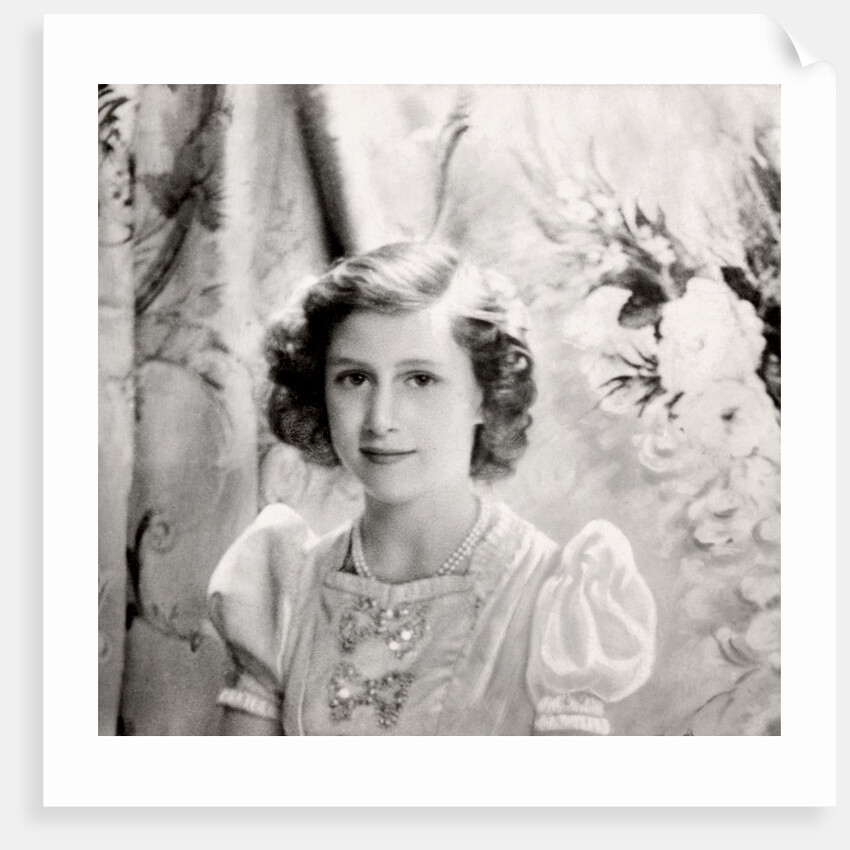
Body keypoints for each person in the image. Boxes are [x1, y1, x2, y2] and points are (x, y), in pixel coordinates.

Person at [207, 242, 656, 735]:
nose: (380, 419)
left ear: (485, 394)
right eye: (354, 379)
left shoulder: (555, 603)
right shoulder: (284, 593)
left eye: (419, 379)